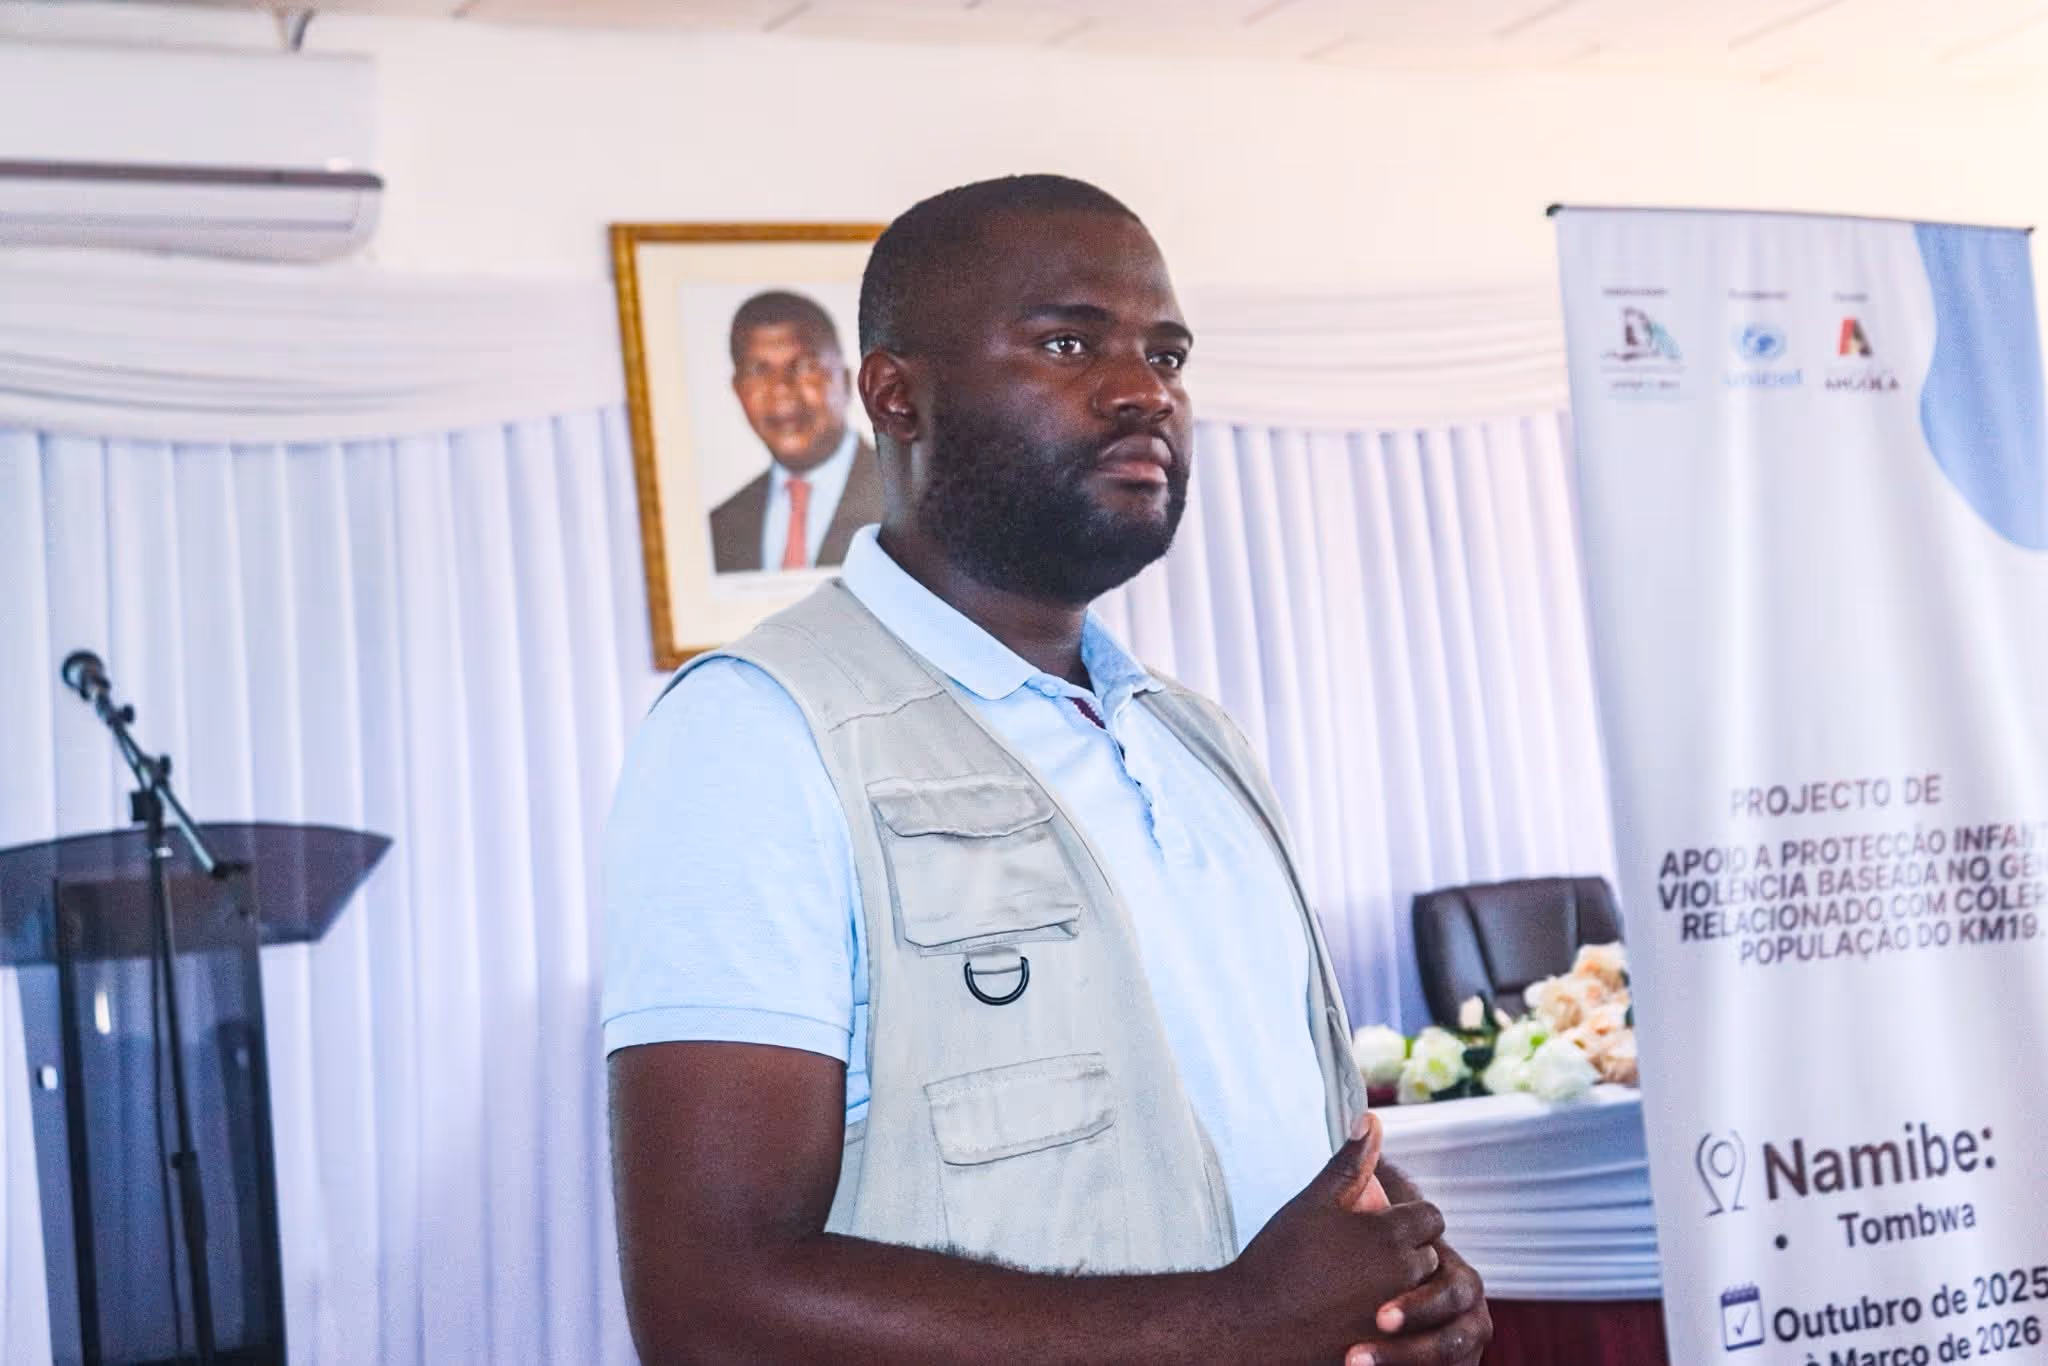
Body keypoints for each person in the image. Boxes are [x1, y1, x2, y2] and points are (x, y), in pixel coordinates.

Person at [605, 174, 1491, 1365]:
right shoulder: (760, 732)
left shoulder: (1194, 738)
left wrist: (1399, 1276)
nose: (1144, 391)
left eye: (1166, 354)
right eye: (1068, 343)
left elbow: (1263, 1136)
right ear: (895, 396)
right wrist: (1223, 1328)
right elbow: (710, 1303)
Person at [708, 290, 884, 572]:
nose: (781, 389)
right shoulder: (719, 528)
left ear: (846, 381)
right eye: (758, 371)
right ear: (738, 390)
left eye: (804, 366)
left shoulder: (903, 500)